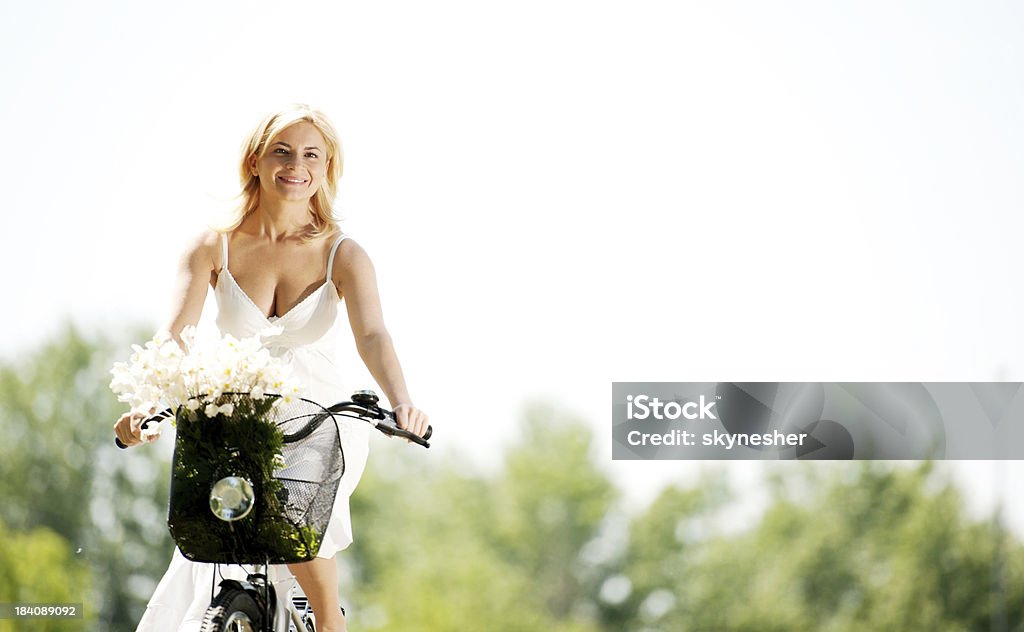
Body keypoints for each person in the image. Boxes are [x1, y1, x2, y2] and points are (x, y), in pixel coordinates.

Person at [113, 104, 429, 632]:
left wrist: (403, 403)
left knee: (293, 498)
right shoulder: (213, 245)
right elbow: (175, 336)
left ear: (326, 168)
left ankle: (329, 622)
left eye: (311, 155)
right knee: (211, 518)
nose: (295, 165)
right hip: (236, 408)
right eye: (282, 151)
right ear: (256, 160)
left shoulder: (343, 254)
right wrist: (146, 406)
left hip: (322, 416)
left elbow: (372, 335)